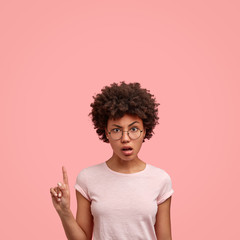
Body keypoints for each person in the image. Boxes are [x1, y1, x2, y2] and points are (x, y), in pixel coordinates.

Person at [50, 82, 174, 240]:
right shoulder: (88, 178)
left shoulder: (160, 179)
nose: (125, 138)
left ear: (145, 131)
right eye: (116, 130)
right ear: (106, 133)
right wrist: (64, 212)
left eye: (134, 129)